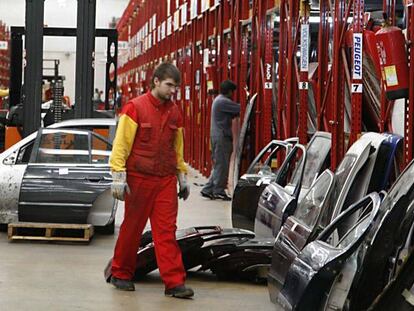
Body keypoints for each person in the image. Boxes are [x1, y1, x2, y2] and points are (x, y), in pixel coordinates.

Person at [109, 62, 193, 299]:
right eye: (169, 85)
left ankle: (174, 283)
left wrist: (181, 175)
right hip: (139, 179)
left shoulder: (175, 112)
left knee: (166, 232)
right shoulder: (135, 108)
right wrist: (117, 175)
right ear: (155, 81)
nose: (172, 91)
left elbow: (177, 148)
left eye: (175, 86)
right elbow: (121, 145)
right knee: (132, 228)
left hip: (165, 180)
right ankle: (121, 273)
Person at [201, 80, 240, 201]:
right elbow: (241, 108)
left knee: (219, 164)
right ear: (229, 91)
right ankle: (218, 190)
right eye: (232, 92)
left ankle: (208, 189)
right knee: (222, 164)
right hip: (222, 137)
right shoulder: (223, 101)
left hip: (218, 136)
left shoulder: (218, 100)